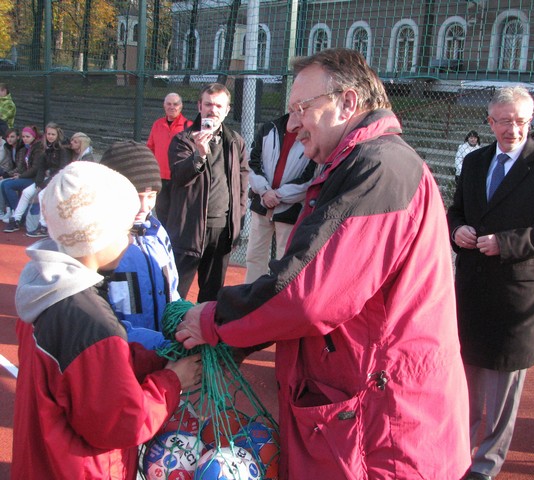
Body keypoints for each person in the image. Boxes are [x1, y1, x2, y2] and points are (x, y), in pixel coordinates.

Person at [175, 48, 471, 479]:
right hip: (367, 413)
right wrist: (233, 341)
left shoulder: (378, 167)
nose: (293, 124)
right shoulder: (357, 165)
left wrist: (213, 320)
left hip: (380, 429)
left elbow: (307, 295)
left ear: (348, 103)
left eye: (302, 108)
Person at [11, 161, 202, 480]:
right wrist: (172, 381)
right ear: (98, 236)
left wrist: (155, 358)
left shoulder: (43, 290)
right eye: (125, 231)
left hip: (42, 463)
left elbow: (88, 373)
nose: (129, 240)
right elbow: (122, 423)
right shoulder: (93, 324)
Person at [447, 86, 534, 480]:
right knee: (463, 383)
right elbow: (456, 211)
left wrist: (506, 243)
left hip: (515, 296)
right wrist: (457, 230)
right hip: (471, 291)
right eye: (504, 121)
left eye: (520, 121)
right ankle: (457, 455)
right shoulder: (475, 162)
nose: (512, 129)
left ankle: (486, 465)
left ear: (531, 120)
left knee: (502, 392)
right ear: (490, 122)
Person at [166, 83, 248, 302]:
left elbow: (242, 184)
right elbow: (179, 176)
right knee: (175, 294)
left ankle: (204, 325)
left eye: (219, 106)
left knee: (211, 297)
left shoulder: (235, 141)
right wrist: (199, 155)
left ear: (227, 110)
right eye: (209, 104)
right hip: (189, 230)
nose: (213, 110)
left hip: (222, 230)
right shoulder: (183, 140)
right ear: (200, 106)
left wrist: (237, 220)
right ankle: (171, 324)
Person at [100, 140, 181, 349]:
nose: (144, 207)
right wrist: (158, 345)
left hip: (160, 351)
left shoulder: (158, 232)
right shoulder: (99, 244)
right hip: (122, 353)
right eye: (137, 197)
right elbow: (100, 321)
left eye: (151, 196)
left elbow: (172, 290)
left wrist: (184, 320)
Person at [244, 113, 316, 283]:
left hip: (290, 209)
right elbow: (252, 163)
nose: (298, 111)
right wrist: (264, 192)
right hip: (262, 204)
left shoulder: (313, 136)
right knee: (254, 256)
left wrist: (278, 195)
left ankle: (278, 295)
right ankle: (251, 294)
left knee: (285, 260)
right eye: (294, 106)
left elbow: (309, 178)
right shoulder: (269, 128)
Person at [5, 122, 70, 234]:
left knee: (41, 195)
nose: (50, 136)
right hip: (46, 179)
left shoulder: (63, 149)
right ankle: (16, 219)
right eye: (48, 134)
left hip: (58, 180)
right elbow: (41, 167)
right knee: (26, 192)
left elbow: (62, 169)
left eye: (53, 134)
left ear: (57, 135)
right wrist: (39, 183)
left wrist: (44, 183)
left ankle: (43, 226)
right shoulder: (46, 148)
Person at [147, 92, 193, 224]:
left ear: (181, 106)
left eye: (175, 104)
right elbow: (150, 148)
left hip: (179, 177)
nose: (172, 107)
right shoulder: (157, 124)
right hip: (160, 177)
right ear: (164, 105)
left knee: (178, 214)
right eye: (169, 104)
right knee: (162, 212)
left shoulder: (188, 126)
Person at [1, 126, 42, 227]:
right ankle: (13, 212)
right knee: (5, 184)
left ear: (34, 137)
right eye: (23, 137)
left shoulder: (37, 148)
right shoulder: (27, 148)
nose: (25, 139)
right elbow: (22, 166)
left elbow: (35, 168)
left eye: (27, 136)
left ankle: (20, 215)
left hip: (35, 179)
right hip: (27, 176)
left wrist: (20, 176)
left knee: (8, 185)